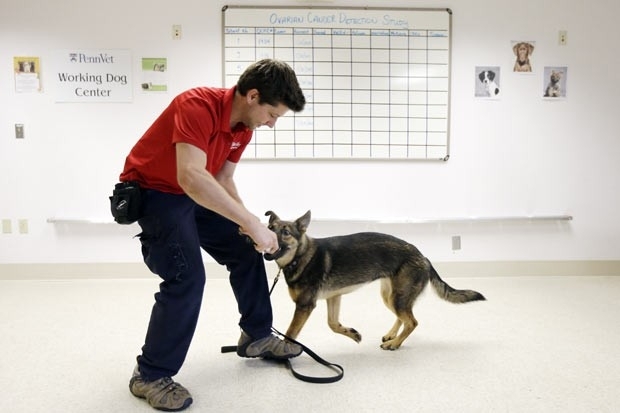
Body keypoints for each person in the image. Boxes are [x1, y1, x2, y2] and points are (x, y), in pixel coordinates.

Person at [118, 59, 306, 411]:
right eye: (272, 114)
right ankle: (150, 374)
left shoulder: (243, 127)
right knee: (186, 277)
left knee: (245, 250)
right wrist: (252, 223)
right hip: (158, 192)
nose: (272, 123)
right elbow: (190, 175)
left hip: (194, 191)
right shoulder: (196, 105)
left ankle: (257, 336)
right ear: (252, 96)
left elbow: (222, 179)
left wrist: (251, 226)